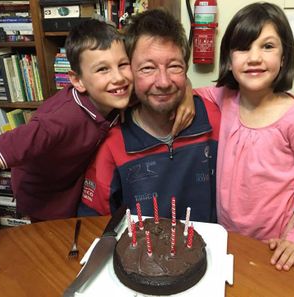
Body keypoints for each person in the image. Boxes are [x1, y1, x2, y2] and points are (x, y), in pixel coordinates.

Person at [0, 19, 134, 297]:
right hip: (46, 202)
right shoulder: (57, 122)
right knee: (55, 273)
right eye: (102, 69)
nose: (118, 77)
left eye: (123, 64)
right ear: (77, 81)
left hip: (78, 190)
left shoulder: (117, 93)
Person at [194, 2, 294, 271]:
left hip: (273, 245)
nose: (254, 57)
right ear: (229, 58)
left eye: (267, 46)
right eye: (243, 47)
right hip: (225, 236)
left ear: (284, 57)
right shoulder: (223, 97)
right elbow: (189, 94)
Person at [82, 9, 220, 223]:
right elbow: (93, 223)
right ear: (129, 72)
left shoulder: (213, 119)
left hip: (211, 250)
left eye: (174, 66)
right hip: (140, 254)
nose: (163, 82)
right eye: (148, 68)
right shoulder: (113, 144)